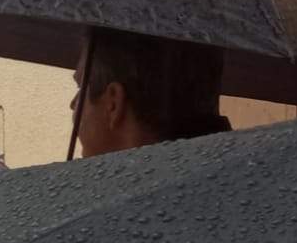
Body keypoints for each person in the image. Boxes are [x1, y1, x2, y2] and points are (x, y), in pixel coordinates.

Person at [72, 27, 229, 157]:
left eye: (81, 87)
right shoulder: (234, 174)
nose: (72, 104)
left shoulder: (113, 190)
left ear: (113, 102)